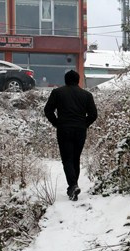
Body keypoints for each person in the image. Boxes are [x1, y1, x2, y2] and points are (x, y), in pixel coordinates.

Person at [44, 70, 97, 201]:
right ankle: (73, 186)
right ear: (78, 80)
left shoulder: (57, 93)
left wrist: (56, 123)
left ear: (65, 80)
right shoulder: (87, 95)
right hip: (80, 130)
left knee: (67, 159)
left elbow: (48, 110)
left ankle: (73, 186)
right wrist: (84, 124)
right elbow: (93, 115)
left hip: (64, 129)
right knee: (75, 158)